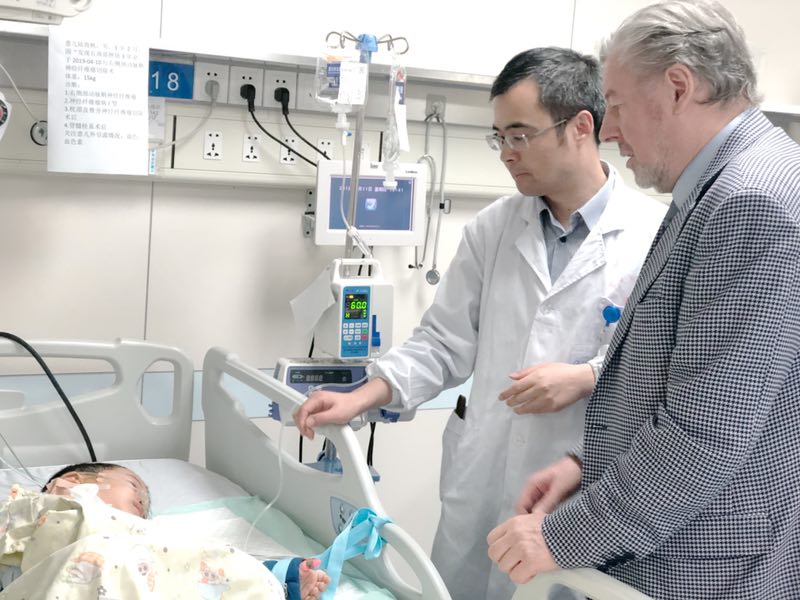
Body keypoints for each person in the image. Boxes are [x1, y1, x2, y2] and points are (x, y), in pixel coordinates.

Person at [295, 47, 666, 599]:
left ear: (581, 127)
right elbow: (442, 342)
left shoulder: (654, 236)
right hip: (482, 474)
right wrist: (361, 397)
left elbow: (660, 371)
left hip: (576, 484)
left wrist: (587, 376)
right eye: (499, 138)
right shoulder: (493, 228)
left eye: (520, 136)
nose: (506, 155)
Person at [487, 1, 800, 598]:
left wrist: (566, 536)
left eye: (618, 105)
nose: (608, 131)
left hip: (707, 564)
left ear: (678, 87)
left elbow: (706, 432)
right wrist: (588, 467)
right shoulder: (720, 186)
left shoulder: (749, 201)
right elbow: (687, 381)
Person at [1, 462, 330, 600]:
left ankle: (273, 582)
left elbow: (192, 566)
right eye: (134, 487)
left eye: (145, 507)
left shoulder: (143, 537)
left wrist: (270, 575)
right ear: (74, 481)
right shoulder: (38, 507)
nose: (141, 504)